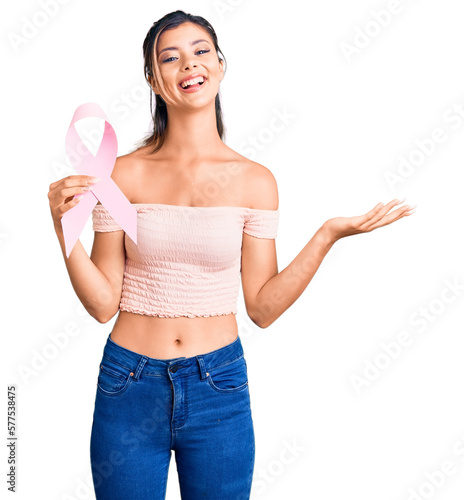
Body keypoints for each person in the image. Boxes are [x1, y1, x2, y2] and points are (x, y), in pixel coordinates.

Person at [47, 9, 415, 500]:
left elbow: (261, 308)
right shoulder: (121, 174)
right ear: (153, 80)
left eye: (201, 52)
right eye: (171, 58)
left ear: (220, 66)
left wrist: (328, 234)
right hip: (128, 386)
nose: (189, 66)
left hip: (217, 387)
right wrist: (62, 226)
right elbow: (101, 304)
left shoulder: (255, 181)